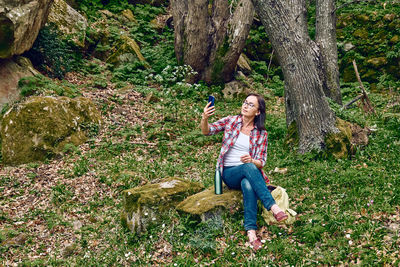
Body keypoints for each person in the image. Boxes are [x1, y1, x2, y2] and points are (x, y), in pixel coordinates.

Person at [200, 93, 288, 251]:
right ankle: (273, 207)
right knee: (248, 168)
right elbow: (207, 131)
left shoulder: (261, 133)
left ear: (258, 112)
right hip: (228, 173)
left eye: (251, 104)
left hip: (248, 172)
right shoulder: (231, 121)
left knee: (248, 184)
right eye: (245, 102)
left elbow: (260, 162)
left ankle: (251, 233)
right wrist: (205, 118)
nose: (245, 106)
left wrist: (252, 161)